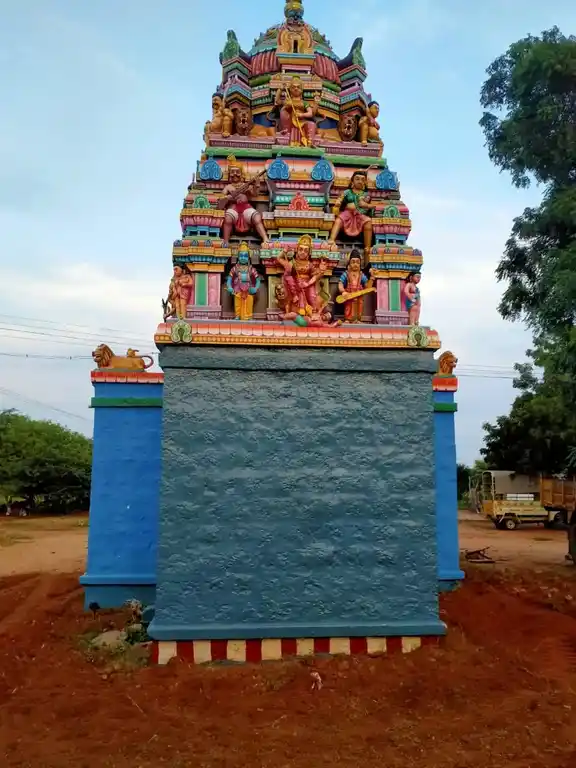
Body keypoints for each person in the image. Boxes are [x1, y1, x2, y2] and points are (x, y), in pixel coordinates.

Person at [220, 156, 269, 246]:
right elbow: (221, 198)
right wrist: (229, 197)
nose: (235, 174)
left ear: (241, 173)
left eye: (237, 172)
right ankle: (226, 240)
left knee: (257, 217)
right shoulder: (228, 187)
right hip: (233, 208)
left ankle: (265, 238)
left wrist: (257, 185)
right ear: (229, 174)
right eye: (232, 172)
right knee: (227, 219)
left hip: (246, 208)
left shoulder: (245, 185)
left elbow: (254, 194)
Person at [329, 170, 374, 256]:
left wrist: (369, 206)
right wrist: (338, 202)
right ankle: (331, 239)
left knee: (368, 222)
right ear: (352, 181)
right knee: (339, 220)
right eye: (357, 179)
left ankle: (367, 247)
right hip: (347, 214)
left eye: (362, 179)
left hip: (359, 215)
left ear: (365, 182)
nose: (360, 181)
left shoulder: (365, 194)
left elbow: (363, 205)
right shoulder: (347, 192)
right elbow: (340, 199)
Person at [226, 244, 261, 320]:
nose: (243, 258)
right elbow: (229, 279)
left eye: (245, 256)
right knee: (237, 302)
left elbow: (258, 280)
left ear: (248, 257)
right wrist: (229, 287)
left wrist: (255, 288)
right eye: (241, 255)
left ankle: (249, 316)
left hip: (249, 289)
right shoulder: (235, 268)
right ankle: (237, 315)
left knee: (249, 301)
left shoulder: (251, 269)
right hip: (237, 288)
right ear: (238, 257)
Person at [338, 250, 373, 323]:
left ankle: (358, 319)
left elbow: (367, 286)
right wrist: (343, 291)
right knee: (348, 308)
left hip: (359, 296)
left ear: (360, 264)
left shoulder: (361, 275)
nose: (355, 264)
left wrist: (372, 277)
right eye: (353, 262)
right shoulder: (346, 274)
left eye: (357, 262)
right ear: (349, 264)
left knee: (359, 308)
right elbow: (340, 283)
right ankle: (348, 319)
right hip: (349, 296)